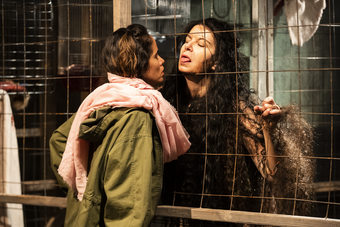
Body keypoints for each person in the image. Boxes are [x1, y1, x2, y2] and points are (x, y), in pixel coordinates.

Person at [160, 18, 315, 226]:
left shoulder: (236, 111)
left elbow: (271, 174)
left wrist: (269, 130)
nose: (187, 47)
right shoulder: (168, 103)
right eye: (187, 40)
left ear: (216, 62)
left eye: (200, 44)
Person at [49, 24, 191, 227]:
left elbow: (59, 140)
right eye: (155, 56)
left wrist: (84, 190)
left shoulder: (100, 101)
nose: (162, 62)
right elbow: (128, 207)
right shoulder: (138, 118)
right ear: (140, 65)